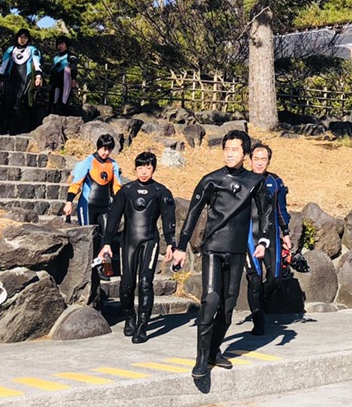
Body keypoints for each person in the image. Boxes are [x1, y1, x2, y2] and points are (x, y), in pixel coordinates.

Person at [173, 130, 273, 381]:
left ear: (245, 153)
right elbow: (192, 215)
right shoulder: (211, 180)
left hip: (238, 251)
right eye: (226, 148)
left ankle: (214, 351)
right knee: (211, 300)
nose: (229, 153)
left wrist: (263, 241)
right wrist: (180, 246)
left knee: (228, 308)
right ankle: (200, 358)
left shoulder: (255, 182)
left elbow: (266, 214)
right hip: (213, 249)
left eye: (235, 149)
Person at [98, 151, 177, 344]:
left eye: (148, 168)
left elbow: (168, 220)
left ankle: (142, 325)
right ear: (135, 168)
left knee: (145, 283)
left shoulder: (161, 191)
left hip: (150, 241)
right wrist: (106, 243)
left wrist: (171, 244)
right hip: (128, 242)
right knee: (126, 286)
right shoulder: (126, 191)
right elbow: (114, 218)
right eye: (140, 167)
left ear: (153, 169)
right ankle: (130, 317)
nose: (144, 171)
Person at [63, 134, 124, 311]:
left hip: (105, 205)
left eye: (109, 149)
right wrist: (69, 202)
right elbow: (76, 183)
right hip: (87, 205)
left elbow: (117, 187)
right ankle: (88, 267)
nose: (106, 152)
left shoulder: (113, 165)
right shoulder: (87, 162)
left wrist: (120, 204)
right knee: (90, 237)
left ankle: (104, 268)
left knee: (106, 237)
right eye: (103, 148)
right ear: (98, 147)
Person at [245, 141, 292, 336]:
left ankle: (259, 303)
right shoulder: (243, 179)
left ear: (268, 161)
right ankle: (258, 321)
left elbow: (281, 209)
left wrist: (286, 233)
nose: (259, 163)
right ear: (250, 160)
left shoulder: (275, 181)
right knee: (254, 279)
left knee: (276, 278)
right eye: (256, 159)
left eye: (263, 159)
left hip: (271, 234)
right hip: (249, 235)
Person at [0, 28, 43, 133]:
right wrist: (0, 76)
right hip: (11, 78)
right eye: (21, 37)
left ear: (28, 39)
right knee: (8, 101)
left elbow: (37, 62)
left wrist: (38, 76)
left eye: (25, 37)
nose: (22, 39)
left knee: (20, 101)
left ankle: (26, 126)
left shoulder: (32, 49)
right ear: (17, 38)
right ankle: (6, 125)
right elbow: (4, 63)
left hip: (25, 78)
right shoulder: (11, 49)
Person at [49, 36, 78, 114]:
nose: (60, 46)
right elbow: (52, 70)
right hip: (56, 83)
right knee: (54, 103)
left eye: (62, 44)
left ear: (66, 45)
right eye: (58, 44)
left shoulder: (70, 56)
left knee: (63, 103)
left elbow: (73, 67)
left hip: (66, 82)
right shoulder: (56, 58)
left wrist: (74, 79)